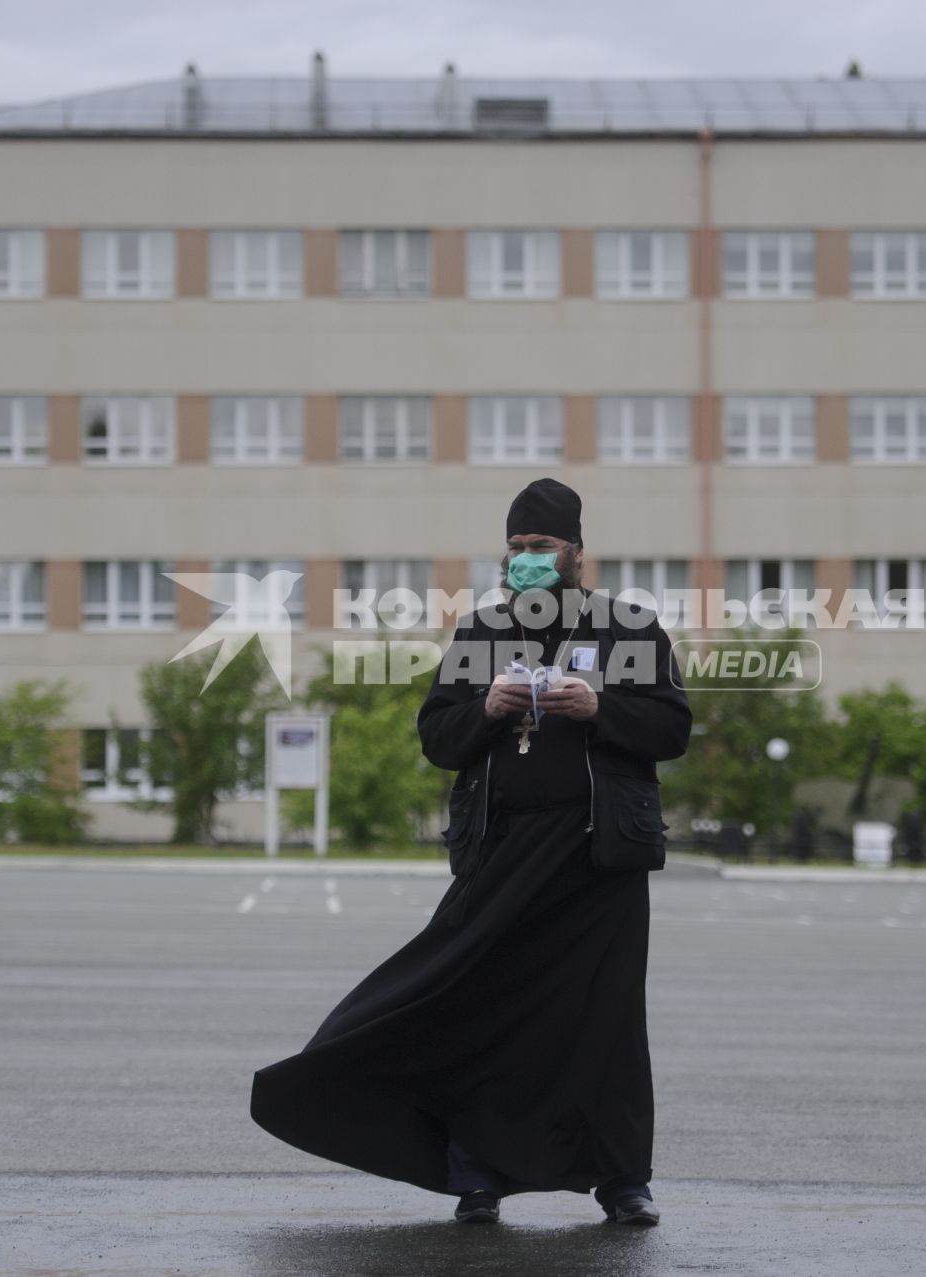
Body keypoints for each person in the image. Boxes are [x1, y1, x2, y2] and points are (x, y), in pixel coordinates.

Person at [249, 477, 692, 1228]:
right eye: (516, 549)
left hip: (598, 860)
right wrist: (486, 708)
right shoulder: (481, 634)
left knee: (606, 1019)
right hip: (502, 852)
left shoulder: (632, 630)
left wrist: (600, 708)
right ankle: (477, 1172)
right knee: (479, 1001)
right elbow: (438, 737)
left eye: (541, 548)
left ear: (576, 553)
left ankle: (622, 1178)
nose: (527, 561)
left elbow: (671, 728)